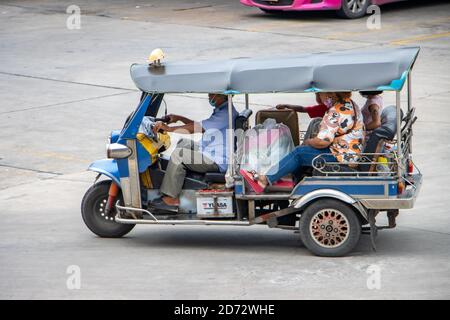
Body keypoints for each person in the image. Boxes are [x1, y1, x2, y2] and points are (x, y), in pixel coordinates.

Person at [241, 92, 365, 193]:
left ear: (330, 94)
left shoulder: (335, 112)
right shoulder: (350, 104)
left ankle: (264, 179)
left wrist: (308, 142)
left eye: (319, 94)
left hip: (341, 156)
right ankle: (291, 179)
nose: (318, 97)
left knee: (299, 153)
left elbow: (322, 142)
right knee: (302, 150)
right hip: (349, 152)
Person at [151, 94, 238, 211]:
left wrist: (169, 129)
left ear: (221, 96)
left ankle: (171, 198)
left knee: (179, 155)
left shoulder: (225, 114)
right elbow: (201, 125)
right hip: (212, 150)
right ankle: (176, 184)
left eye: (212, 93)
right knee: (183, 143)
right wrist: (179, 118)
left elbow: (198, 128)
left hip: (217, 159)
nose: (209, 96)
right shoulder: (223, 110)